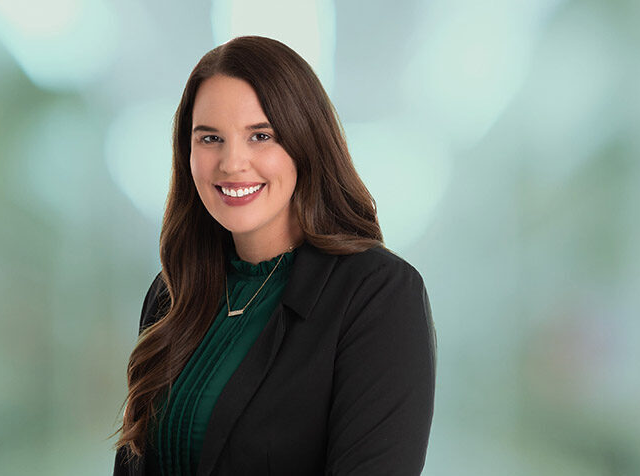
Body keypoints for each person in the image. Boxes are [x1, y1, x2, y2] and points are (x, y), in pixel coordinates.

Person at [112, 35, 436, 476]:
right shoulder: (174, 294)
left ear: (306, 142)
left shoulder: (376, 294)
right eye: (210, 138)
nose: (232, 163)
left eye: (260, 136)